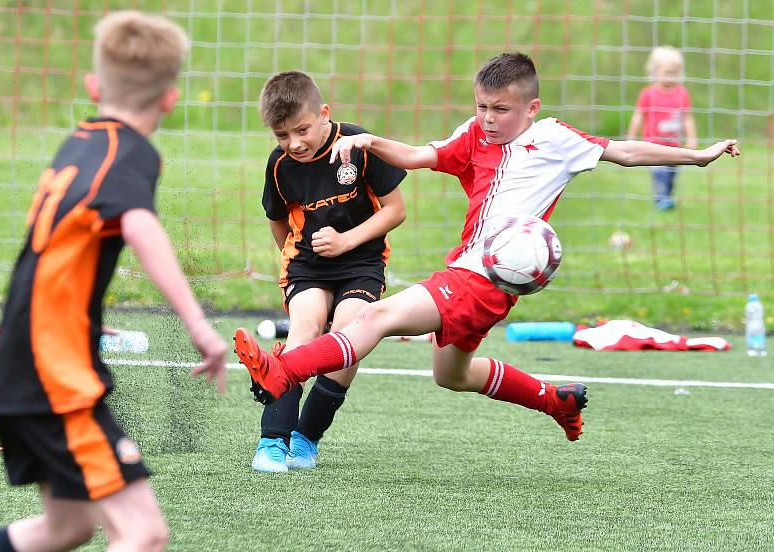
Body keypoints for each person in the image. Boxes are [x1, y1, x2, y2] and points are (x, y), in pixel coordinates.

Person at [233, 52, 739, 447]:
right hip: (469, 269)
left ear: (531, 108)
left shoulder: (555, 139)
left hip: (482, 279)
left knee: (376, 317)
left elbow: (624, 151)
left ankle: (286, 370)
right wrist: (372, 142)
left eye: (502, 110)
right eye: (482, 106)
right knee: (450, 375)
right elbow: (417, 155)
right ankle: (554, 400)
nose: (489, 118)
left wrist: (696, 156)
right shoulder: (473, 136)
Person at [0, 11, 228, 552]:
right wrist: (198, 324)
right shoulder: (130, 152)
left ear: (94, 87)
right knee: (144, 534)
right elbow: (139, 222)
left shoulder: (80, 143)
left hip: (24, 367)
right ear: (169, 99)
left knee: (66, 527)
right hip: (55, 375)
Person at [247, 71, 407, 473]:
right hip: (308, 266)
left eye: (301, 130)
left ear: (324, 114)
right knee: (305, 331)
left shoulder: (358, 145)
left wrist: (346, 242)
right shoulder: (280, 166)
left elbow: (396, 210)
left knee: (351, 333)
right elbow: (278, 222)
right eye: (282, 135)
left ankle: (307, 436)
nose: (294, 143)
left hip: (361, 263)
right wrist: (299, 257)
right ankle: (272, 441)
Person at [627, 46, 697, 210]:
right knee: (660, 173)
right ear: (654, 71)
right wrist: (631, 136)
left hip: (674, 145)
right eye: (667, 73)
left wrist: (692, 138)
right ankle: (661, 200)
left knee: (672, 174)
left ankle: (666, 197)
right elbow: (638, 116)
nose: (671, 77)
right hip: (653, 144)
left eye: (675, 73)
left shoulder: (682, 94)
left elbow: (687, 118)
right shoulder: (648, 94)